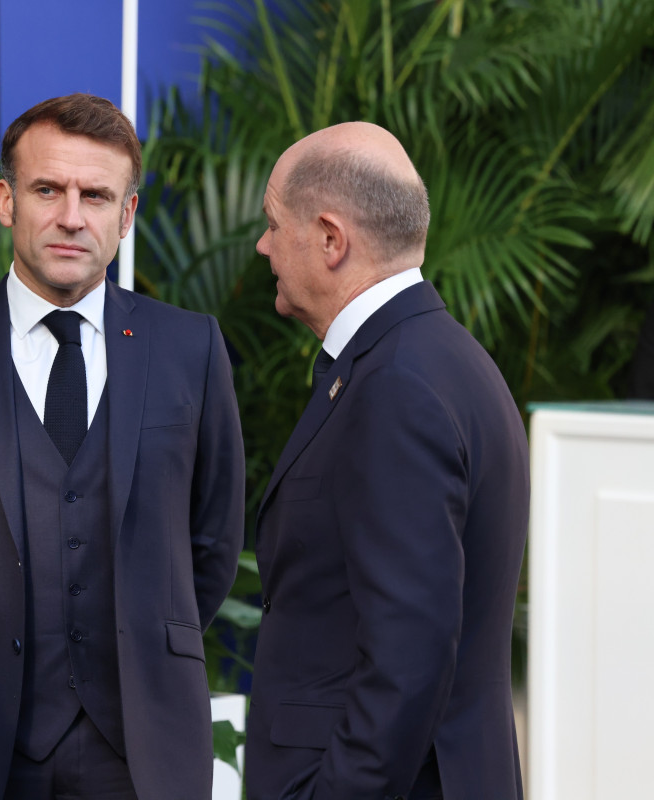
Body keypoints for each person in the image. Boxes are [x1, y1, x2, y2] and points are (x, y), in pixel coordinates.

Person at [0, 93, 246, 800]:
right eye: (47, 190)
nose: (71, 216)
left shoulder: (191, 349)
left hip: (142, 752)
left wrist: (145, 636)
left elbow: (212, 541)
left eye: (96, 196)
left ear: (127, 214)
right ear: (6, 201)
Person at [243, 122, 529, 800]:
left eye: (274, 224)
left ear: (331, 239)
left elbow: (409, 656)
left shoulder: (396, 385)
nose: (262, 246)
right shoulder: (440, 358)